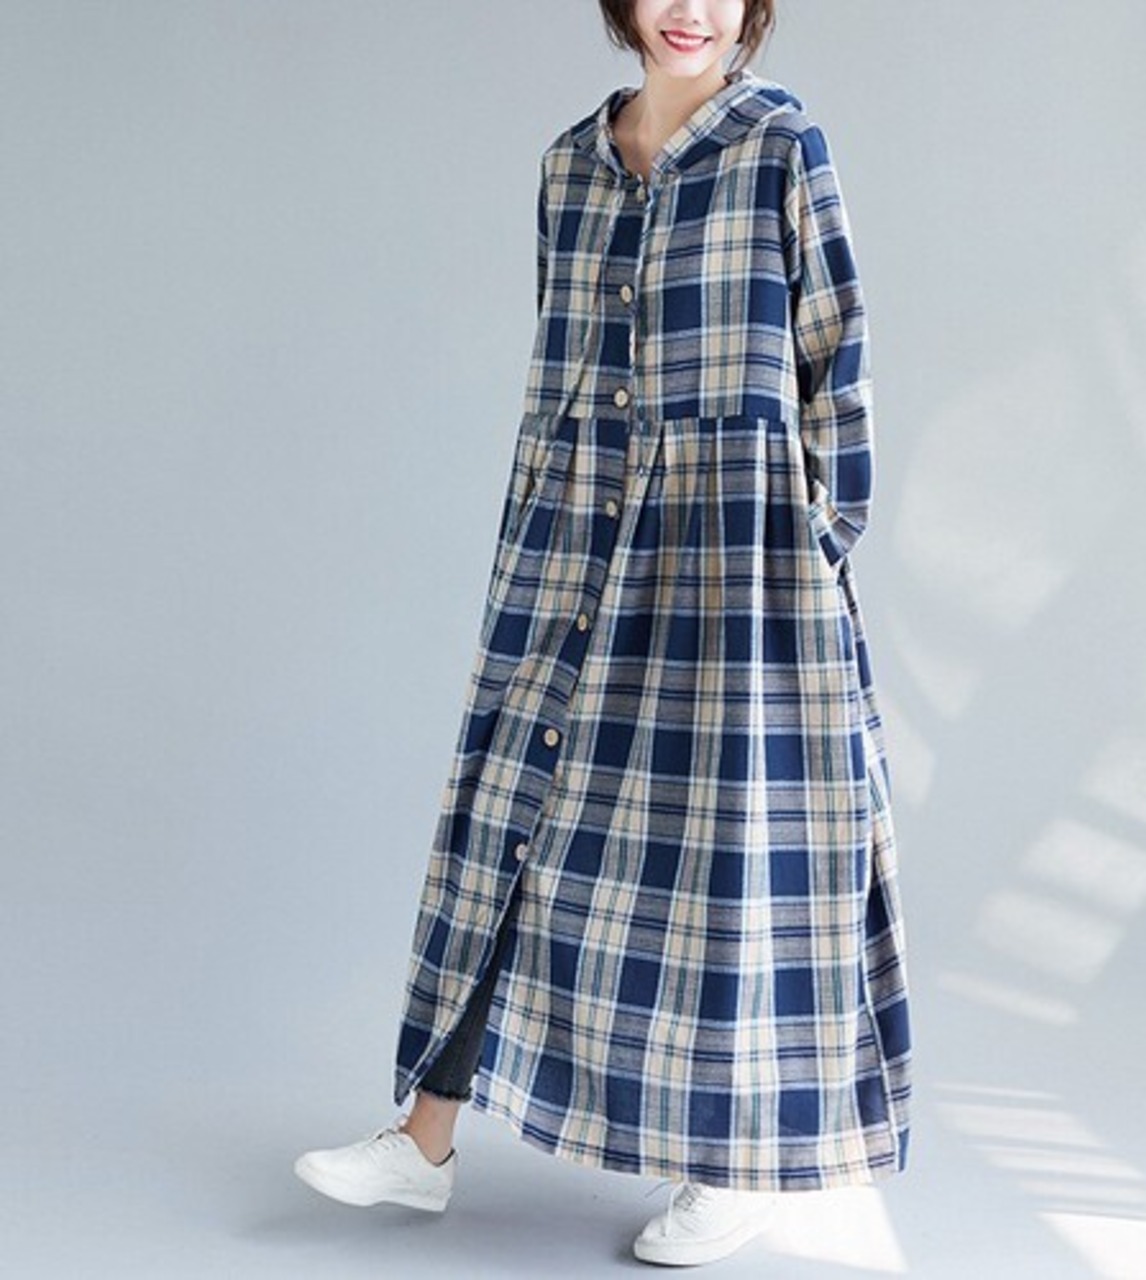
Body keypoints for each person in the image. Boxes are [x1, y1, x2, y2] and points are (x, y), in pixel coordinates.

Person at [294, 0, 911, 1266]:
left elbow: (834, 350)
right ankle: (422, 1140)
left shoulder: (780, 144)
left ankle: (725, 1170)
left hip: (734, 545)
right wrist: (534, 518)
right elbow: (557, 360)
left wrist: (818, 535)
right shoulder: (569, 164)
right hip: (577, 523)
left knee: (722, 843)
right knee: (513, 812)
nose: (690, 9)